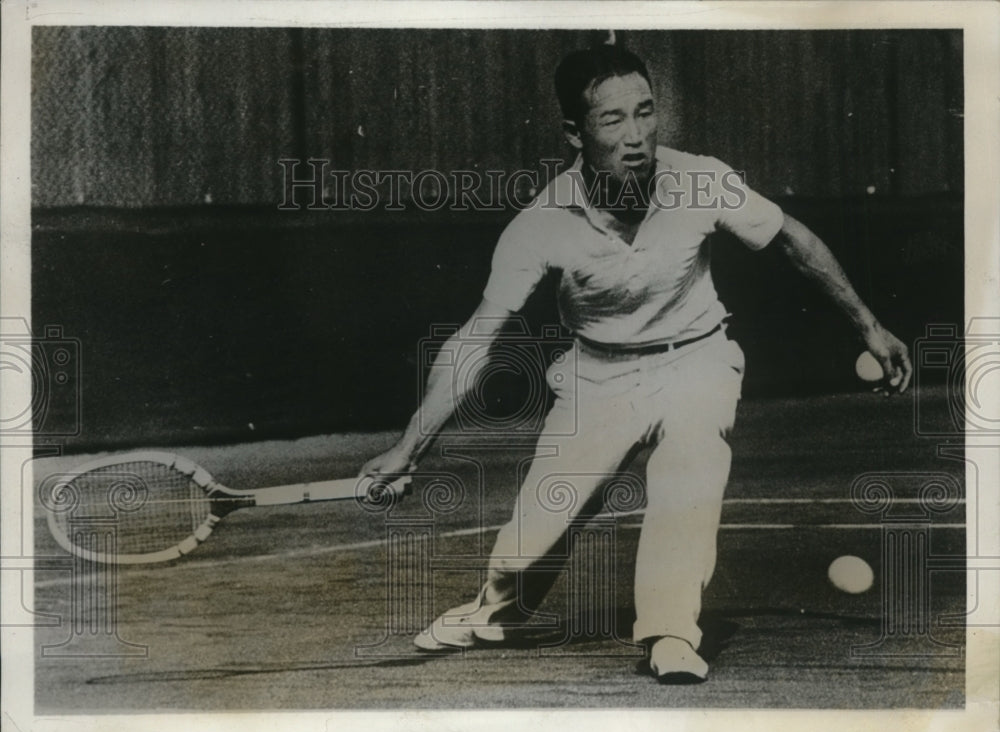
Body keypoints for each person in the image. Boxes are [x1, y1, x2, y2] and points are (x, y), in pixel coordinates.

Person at [360, 45, 912, 683]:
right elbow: (475, 341)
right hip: (598, 377)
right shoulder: (539, 224)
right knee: (534, 534)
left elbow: (792, 238)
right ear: (575, 133)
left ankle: (671, 632)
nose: (637, 137)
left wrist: (869, 325)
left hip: (697, 361)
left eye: (646, 113)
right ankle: (498, 610)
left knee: (688, 476)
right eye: (613, 120)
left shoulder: (701, 179)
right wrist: (410, 446)